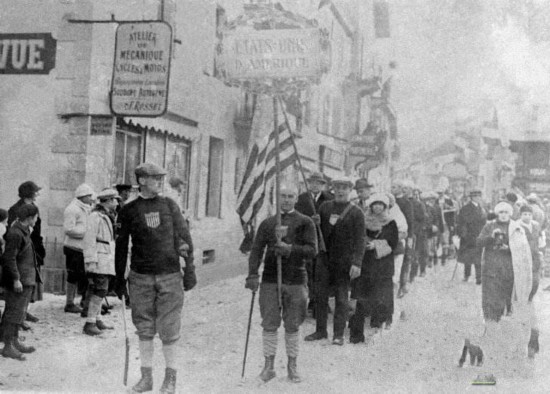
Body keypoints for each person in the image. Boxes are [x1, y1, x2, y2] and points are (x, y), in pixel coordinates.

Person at [115, 162, 195, 394]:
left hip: (170, 275)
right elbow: (121, 247)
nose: (160, 181)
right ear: (141, 181)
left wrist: (189, 270)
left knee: (169, 329)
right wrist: (119, 279)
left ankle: (170, 379)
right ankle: (146, 378)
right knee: (144, 328)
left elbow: (185, 238)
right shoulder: (128, 210)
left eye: (161, 178)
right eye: (155, 178)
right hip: (140, 277)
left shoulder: (170, 205)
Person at [245, 184, 317, 383]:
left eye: (290, 196)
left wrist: (291, 249)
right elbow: (257, 250)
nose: (286, 199)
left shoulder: (306, 222)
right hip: (270, 279)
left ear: (296, 199)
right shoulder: (268, 223)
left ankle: (292, 366)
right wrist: (252, 275)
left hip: (295, 279)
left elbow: (313, 251)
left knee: (293, 324)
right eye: (283, 196)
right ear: (277, 198)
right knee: (269, 324)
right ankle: (268, 366)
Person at [460, 202, 534, 370]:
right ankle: (489, 343)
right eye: (500, 212)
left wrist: (509, 248)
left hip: (509, 273)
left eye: (506, 213)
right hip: (491, 273)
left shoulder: (517, 228)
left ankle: (491, 343)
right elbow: (478, 243)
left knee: (506, 308)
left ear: (510, 214)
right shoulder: (489, 226)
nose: (503, 215)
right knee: (491, 307)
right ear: (496, 213)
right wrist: (491, 237)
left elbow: (522, 249)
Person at [305, 176, 366, 346]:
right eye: (337, 187)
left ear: (350, 190)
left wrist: (357, 263)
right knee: (320, 295)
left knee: (341, 298)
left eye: (344, 188)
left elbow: (360, 239)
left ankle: (338, 334)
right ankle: (320, 330)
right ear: (333, 189)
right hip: (324, 258)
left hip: (344, 261)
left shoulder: (356, 212)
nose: (340, 191)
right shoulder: (325, 207)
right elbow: (318, 233)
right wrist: (315, 222)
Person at [349, 193, 398, 343]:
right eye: (374, 204)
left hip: (382, 264)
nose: (377, 207)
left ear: (384, 207)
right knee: (361, 295)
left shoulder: (390, 223)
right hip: (365, 262)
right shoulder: (363, 220)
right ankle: (356, 330)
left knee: (380, 295)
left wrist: (376, 245)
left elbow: (393, 243)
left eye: (380, 205)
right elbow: (356, 236)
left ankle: (378, 322)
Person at [0, 204, 41, 360]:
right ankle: (8, 346)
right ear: (29, 218)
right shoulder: (16, 234)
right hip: (19, 281)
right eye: (35, 217)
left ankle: (14, 341)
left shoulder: (22, 231)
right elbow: (9, 258)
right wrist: (16, 279)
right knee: (13, 313)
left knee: (19, 313)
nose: (36, 220)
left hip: (25, 279)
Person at [82, 189, 120, 336]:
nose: (116, 203)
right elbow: (89, 239)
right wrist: (90, 260)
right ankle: (89, 322)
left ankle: (97, 318)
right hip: (99, 256)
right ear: (108, 201)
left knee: (101, 288)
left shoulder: (107, 216)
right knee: (100, 289)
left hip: (106, 255)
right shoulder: (95, 216)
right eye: (114, 200)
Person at [295, 171, 333, 314]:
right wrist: (309, 220)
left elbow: (334, 220)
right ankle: (311, 300)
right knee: (308, 271)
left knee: (322, 272)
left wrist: (322, 221)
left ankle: (320, 302)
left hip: (324, 241)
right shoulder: (301, 199)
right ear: (308, 184)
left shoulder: (329, 199)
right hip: (307, 241)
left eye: (319, 183)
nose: (315, 185)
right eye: (313, 182)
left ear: (323, 185)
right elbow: (296, 219)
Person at [7, 181, 46, 322]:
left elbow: (37, 230)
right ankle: (19, 315)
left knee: (30, 281)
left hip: (34, 246)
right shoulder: (15, 209)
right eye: (35, 191)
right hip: (22, 247)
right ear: (29, 193)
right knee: (23, 280)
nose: (37, 194)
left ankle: (25, 310)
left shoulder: (34, 208)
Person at [63, 183, 94, 314]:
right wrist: (85, 232)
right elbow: (68, 229)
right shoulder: (72, 209)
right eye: (89, 196)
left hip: (82, 248)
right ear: (83, 196)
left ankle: (84, 300)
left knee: (84, 275)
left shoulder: (85, 208)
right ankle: (69, 302)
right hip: (73, 247)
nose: (91, 198)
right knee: (73, 275)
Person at [457, 189, 487, 284]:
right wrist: (463, 234)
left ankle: (479, 277)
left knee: (478, 257)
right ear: (472, 197)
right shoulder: (466, 208)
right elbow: (462, 222)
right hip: (468, 236)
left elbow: (484, 222)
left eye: (479, 196)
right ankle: (467, 275)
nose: (479, 198)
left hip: (479, 236)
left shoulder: (481, 208)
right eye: (477, 196)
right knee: (468, 257)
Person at [391, 182, 414, 298]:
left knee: (404, 260)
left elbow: (409, 221)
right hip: (392, 236)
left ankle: (402, 285)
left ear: (399, 188)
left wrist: (409, 237)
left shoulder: (406, 203)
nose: (392, 189)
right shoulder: (390, 202)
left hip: (402, 235)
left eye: (394, 187)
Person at [409, 184, 427, 280]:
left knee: (421, 251)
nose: (416, 196)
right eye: (414, 194)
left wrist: (422, 228)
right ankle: (413, 272)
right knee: (413, 253)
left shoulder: (421, 204)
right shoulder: (411, 203)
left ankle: (422, 270)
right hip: (413, 231)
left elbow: (424, 218)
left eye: (417, 194)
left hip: (420, 232)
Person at [423, 191, 444, 267]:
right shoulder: (425, 207)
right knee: (429, 244)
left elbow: (439, 218)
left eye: (433, 199)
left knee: (435, 244)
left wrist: (441, 229)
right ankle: (429, 259)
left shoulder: (437, 207)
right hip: (428, 229)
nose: (432, 200)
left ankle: (434, 257)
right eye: (430, 199)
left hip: (435, 228)